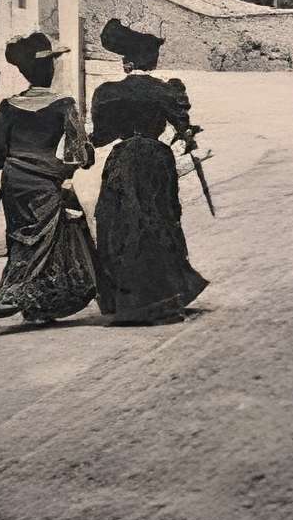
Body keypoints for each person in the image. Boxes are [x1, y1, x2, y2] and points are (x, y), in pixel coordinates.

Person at [90, 21, 209, 325]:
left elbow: (101, 136)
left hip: (124, 159)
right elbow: (183, 131)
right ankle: (166, 294)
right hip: (157, 159)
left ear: (127, 62)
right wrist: (186, 135)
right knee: (160, 220)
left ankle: (128, 299)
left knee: (122, 223)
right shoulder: (165, 91)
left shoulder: (109, 93)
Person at [0, 31, 97, 328]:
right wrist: (75, 165)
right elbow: (78, 153)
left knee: (20, 236)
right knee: (48, 237)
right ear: (50, 69)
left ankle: (35, 302)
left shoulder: (9, 106)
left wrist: (12, 161)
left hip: (15, 179)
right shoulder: (64, 104)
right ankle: (14, 294)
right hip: (46, 179)